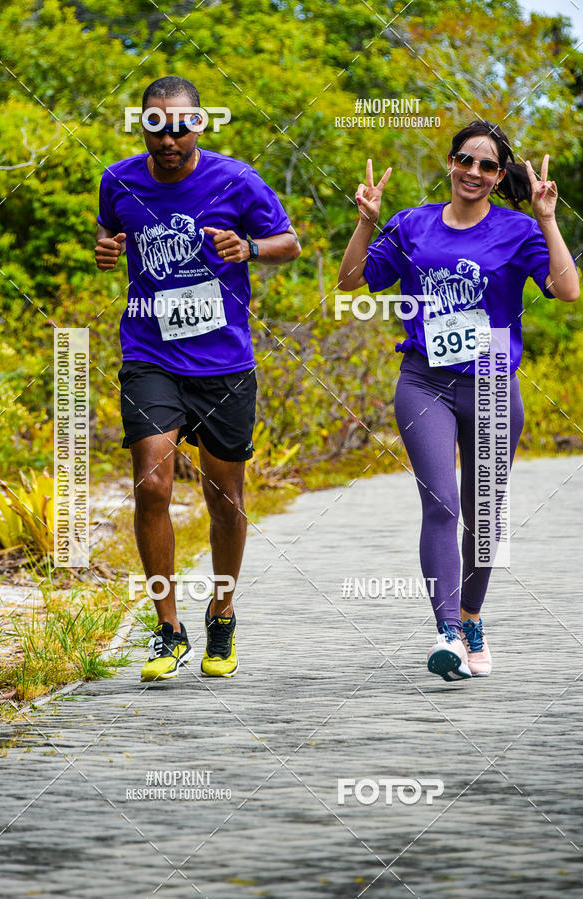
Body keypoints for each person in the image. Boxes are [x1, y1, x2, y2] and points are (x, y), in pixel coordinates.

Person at [338, 120, 579, 682]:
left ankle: (472, 618)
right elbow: (351, 281)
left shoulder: (518, 231)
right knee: (441, 505)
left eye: (487, 166)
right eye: (464, 160)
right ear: (449, 163)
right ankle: (446, 630)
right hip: (425, 381)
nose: (473, 172)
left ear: (499, 177)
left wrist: (547, 219)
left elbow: (567, 289)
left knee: (485, 517)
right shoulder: (411, 225)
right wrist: (366, 223)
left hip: (494, 383)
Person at [95, 76, 300, 681]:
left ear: (200, 125)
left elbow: (288, 242)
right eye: (157, 124)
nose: (170, 136)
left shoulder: (237, 180)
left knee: (224, 497)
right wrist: (107, 248)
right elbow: (109, 230)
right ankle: (167, 627)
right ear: (144, 126)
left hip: (223, 364)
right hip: (149, 353)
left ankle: (223, 611)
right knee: (152, 485)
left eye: (181, 124)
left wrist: (250, 250)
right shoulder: (118, 179)